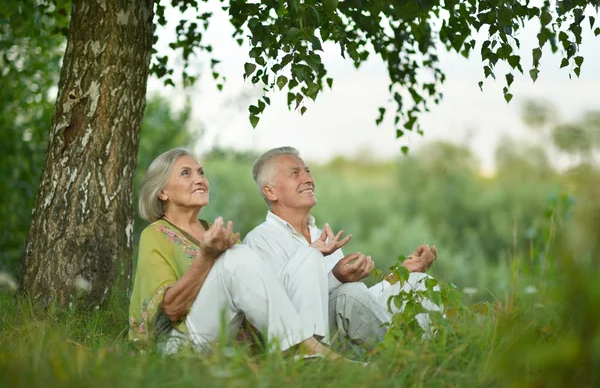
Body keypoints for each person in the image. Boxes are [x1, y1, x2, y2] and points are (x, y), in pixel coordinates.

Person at [128, 148, 340, 358]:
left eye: (201, 172)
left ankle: (306, 356)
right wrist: (207, 257)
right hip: (177, 344)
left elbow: (264, 298)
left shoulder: (218, 234)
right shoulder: (155, 235)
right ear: (162, 192)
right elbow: (172, 308)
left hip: (225, 338)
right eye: (186, 173)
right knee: (236, 255)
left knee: (305, 255)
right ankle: (308, 349)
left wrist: (312, 260)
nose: (199, 179)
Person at [244, 147, 441, 348]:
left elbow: (354, 304)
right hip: (305, 341)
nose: (308, 179)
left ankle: (428, 354)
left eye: (308, 171)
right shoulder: (260, 240)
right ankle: (406, 355)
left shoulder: (323, 236)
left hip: (343, 330)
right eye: (295, 173)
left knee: (418, 282)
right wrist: (336, 277)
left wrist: (399, 275)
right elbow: (282, 307)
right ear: (270, 191)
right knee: (350, 291)